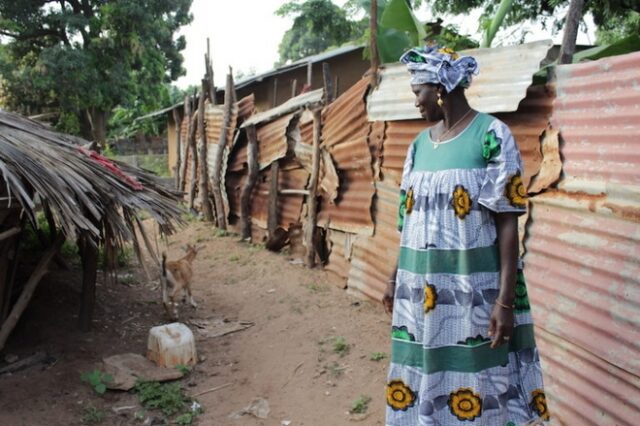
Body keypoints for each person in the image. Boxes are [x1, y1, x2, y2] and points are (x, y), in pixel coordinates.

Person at [382, 44, 548, 425]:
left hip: (472, 289)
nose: (415, 103)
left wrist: (504, 303)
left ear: (439, 88)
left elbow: (508, 220)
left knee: (478, 380)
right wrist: (394, 277)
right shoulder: (418, 146)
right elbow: (407, 222)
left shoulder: (492, 135)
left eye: (417, 93)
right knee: (423, 369)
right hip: (418, 289)